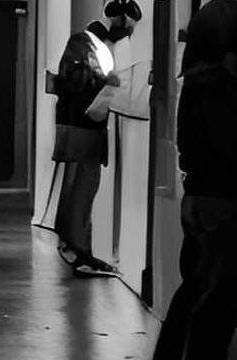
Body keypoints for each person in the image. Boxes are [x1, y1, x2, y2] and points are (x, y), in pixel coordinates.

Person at [151, 0, 237, 358]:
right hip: (223, 201)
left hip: (203, 197)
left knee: (197, 291)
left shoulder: (204, 78)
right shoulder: (217, 82)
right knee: (217, 302)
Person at [51, 0, 141, 277]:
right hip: (82, 128)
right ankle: (78, 251)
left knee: (81, 187)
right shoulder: (88, 43)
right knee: (82, 187)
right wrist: (109, 81)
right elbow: (82, 82)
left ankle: (79, 249)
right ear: (121, 20)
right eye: (130, 27)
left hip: (81, 128)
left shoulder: (88, 43)